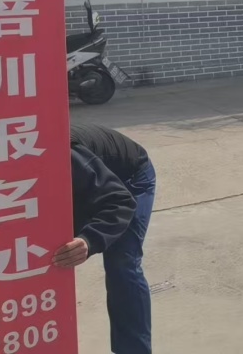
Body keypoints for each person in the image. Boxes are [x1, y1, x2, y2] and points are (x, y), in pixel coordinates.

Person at [67, 123, 157, 354]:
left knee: (121, 263)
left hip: (130, 179)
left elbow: (119, 201)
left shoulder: (64, 152)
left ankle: (134, 350)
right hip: (88, 184)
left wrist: (89, 240)